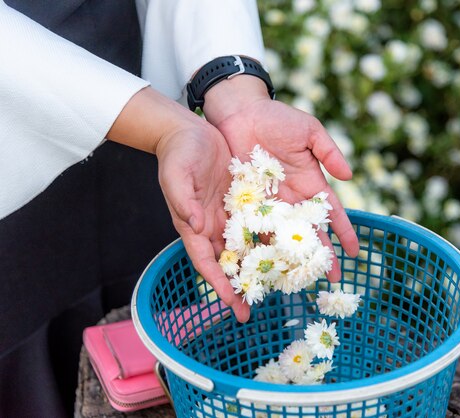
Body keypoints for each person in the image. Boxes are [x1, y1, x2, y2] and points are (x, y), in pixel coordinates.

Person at [0, 1, 359, 416]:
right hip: (16, 158)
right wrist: (162, 125)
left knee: (151, 325)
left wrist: (231, 84)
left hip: (146, 127)